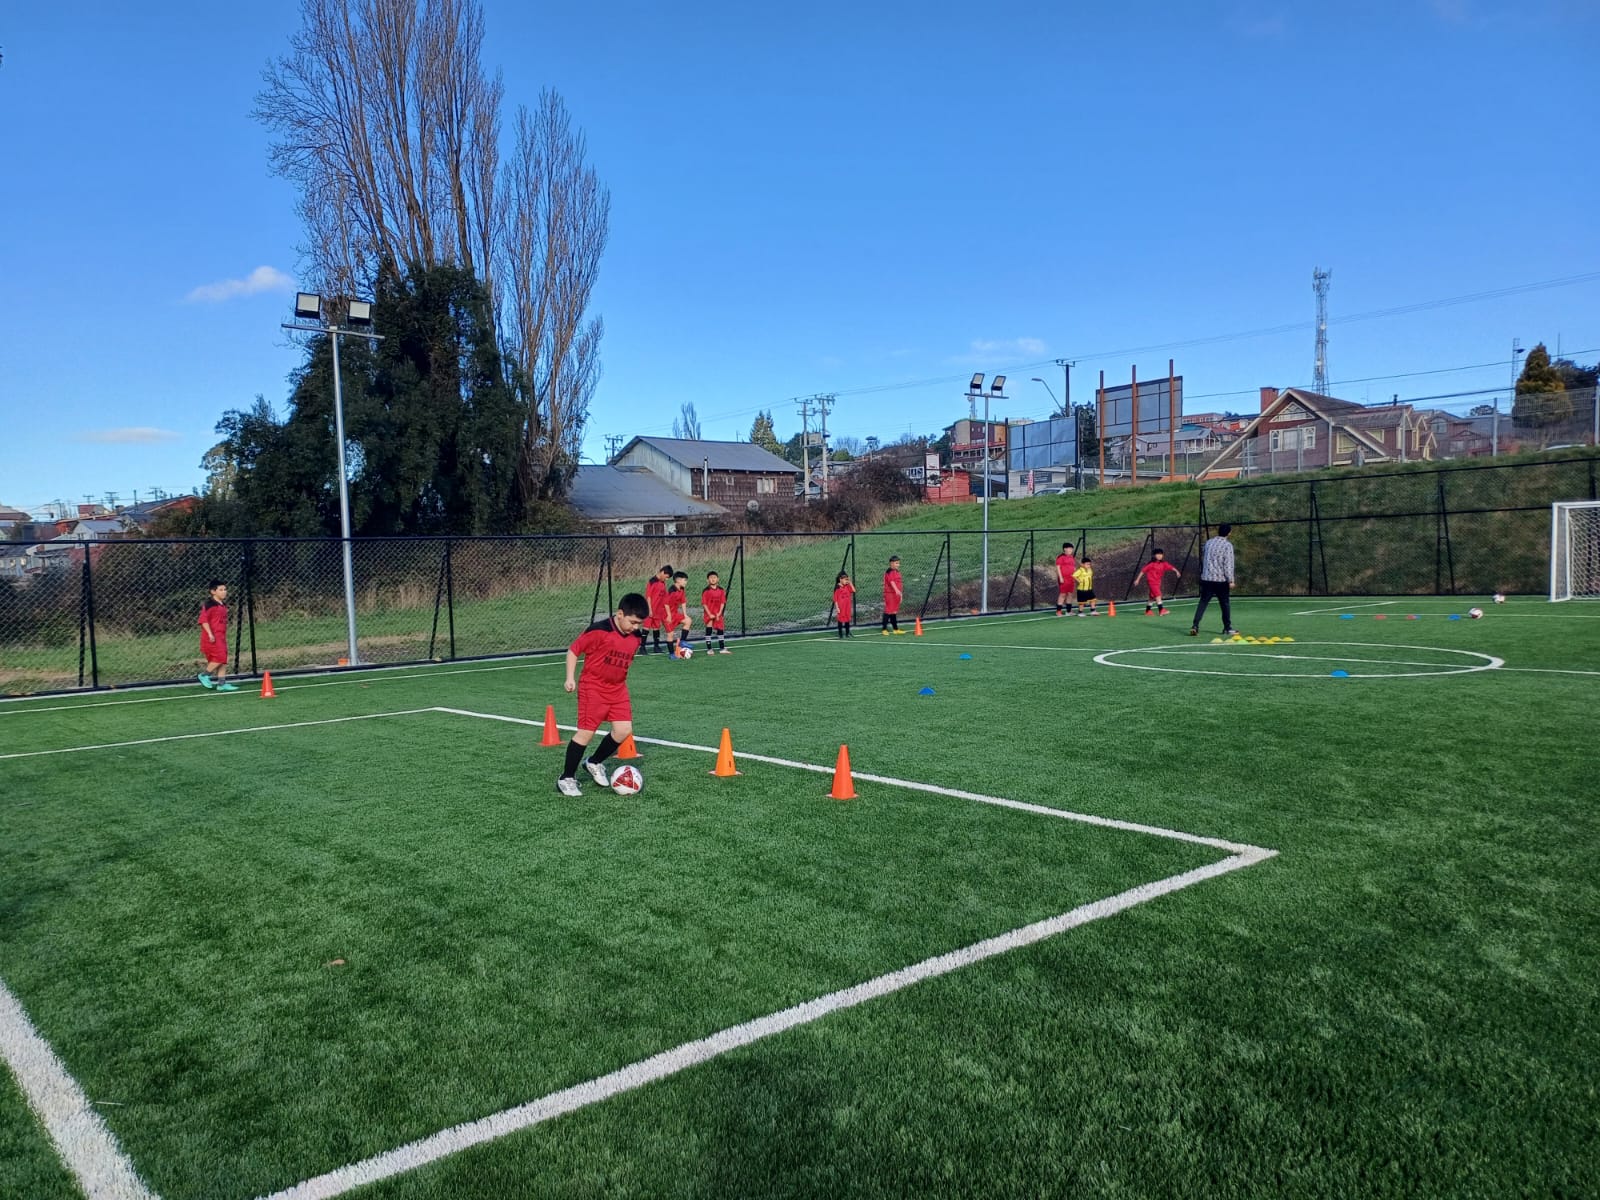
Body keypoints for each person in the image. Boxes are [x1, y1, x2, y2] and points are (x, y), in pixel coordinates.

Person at [558, 593, 650, 796]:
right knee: (586, 733)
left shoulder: (636, 637)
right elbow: (573, 650)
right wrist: (570, 677)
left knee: (623, 730)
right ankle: (566, 778)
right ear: (620, 614)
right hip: (593, 687)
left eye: (639, 623)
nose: (636, 627)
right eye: (633, 622)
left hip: (618, 689)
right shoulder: (599, 631)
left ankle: (593, 762)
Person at [1189, 524, 1239, 637]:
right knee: (1225, 604)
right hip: (1220, 580)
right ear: (1229, 533)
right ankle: (1227, 627)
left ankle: (1195, 625)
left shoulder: (1208, 543)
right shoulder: (1227, 545)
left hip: (1207, 578)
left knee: (1203, 602)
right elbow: (1228, 564)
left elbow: (1204, 553)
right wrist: (1230, 580)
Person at [197, 580, 239, 691]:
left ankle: (221, 684)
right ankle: (204, 675)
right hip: (212, 637)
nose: (224, 592)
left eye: (225, 589)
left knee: (223, 659)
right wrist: (210, 634)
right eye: (221, 590)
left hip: (221, 636)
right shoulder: (209, 605)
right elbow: (203, 621)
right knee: (219, 657)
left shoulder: (222, 605)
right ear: (213, 592)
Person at [1139, 549, 1181, 616]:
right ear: (1154, 555)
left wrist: (1176, 571)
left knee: (1152, 597)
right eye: (1158, 554)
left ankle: (1148, 611)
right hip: (1152, 582)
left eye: (1161, 554)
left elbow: (1171, 567)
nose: (1159, 555)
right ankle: (1161, 610)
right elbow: (1143, 571)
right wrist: (1137, 580)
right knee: (1158, 595)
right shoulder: (1151, 564)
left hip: (1158, 582)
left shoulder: (1163, 563)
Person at [644, 565, 672, 655]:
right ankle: (642, 647)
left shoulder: (663, 583)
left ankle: (656, 646)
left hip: (658, 610)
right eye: (666, 577)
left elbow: (664, 598)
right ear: (662, 572)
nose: (666, 579)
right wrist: (649, 609)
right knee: (646, 628)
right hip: (650, 609)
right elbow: (648, 596)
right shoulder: (652, 581)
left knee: (656, 628)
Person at [664, 571, 693, 658]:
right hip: (666, 614)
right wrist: (669, 615)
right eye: (685, 580)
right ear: (678, 580)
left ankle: (682, 641)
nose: (686, 582)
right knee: (670, 634)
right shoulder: (671, 591)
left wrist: (685, 614)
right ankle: (672, 654)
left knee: (688, 620)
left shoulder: (681, 589)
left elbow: (683, 601)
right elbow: (666, 604)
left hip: (675, 614)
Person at [701, 570, 730, 654]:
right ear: (708, 580)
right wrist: (709, 614)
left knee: (720, 629)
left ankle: (722, 649)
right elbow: (704, 604)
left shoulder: (721, 590)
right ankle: (709, 649)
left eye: (714, 577)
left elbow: (722, 602)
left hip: (718, 614)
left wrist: (719, 612)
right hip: (709, 613)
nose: (713, 579)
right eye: (711, 578)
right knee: (709, 629)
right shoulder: (706, 591)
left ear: (718, 579)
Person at [881, 555, 905, 635]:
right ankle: (884, 629)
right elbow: (892, 582)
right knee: (888, 611)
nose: (898, 565)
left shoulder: (897, 572)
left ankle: (895, 629)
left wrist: (900, 595)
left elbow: (899, 583)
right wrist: (896, 590)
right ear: (891, 563)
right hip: (890, 594)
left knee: (894, 612)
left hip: (896, 594)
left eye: (898, 563)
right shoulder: (889, 571)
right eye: (896, 563)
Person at [1055, 541, 1077, 616]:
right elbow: (1058, 568)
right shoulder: (1060, 557)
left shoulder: (1071, 557)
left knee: (1070, 594)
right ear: (1065, 549)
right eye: (1069, 549)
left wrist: (1075, 576)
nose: (1071, 550)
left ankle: (1068, 611)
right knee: (1063, 594)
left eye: (1071, 549)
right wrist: (1061, 578)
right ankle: (1058, 611)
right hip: (1064, 579)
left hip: (1071, 579)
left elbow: (1073, 568)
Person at [833, 571, 856, 638]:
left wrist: (850, 583)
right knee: (840, 620)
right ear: (840, 579)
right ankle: (840, 634)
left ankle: (847, 633)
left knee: (847, 619)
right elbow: (835, 599)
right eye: (845, 579)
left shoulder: (847, 586)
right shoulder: (837, 588)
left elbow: (854, 590)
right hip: (841, 607)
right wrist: (837, 607)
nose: (846, 581)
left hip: (847, 606)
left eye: (847, 579)